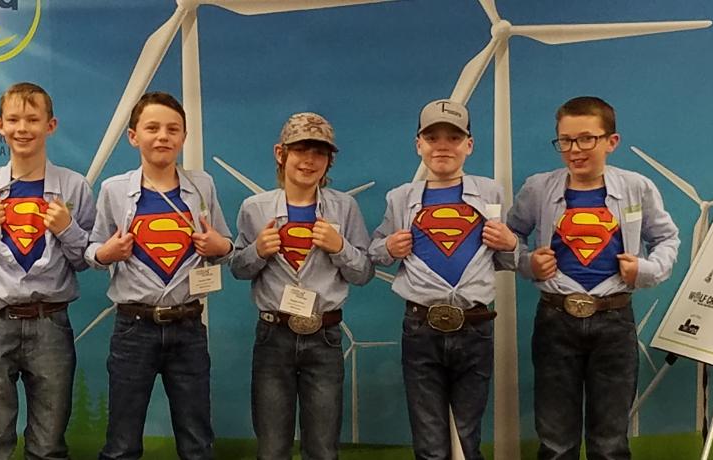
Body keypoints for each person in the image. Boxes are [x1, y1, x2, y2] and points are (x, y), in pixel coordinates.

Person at [506, 96, 679, 460]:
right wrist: (527, 264)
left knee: (610, 442)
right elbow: (510, 237)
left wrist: (644, 270)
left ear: (610, 142)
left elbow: (666, 238)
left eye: (586, 139)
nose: (575, 150)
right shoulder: (538, 188)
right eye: (565, 141)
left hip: (614, 320)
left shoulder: (637, 187)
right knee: (555, 442)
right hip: (555, 319)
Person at [87, 91, 234, 460]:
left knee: (197, 438)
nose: (162, 136)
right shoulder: (114, 190)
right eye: (152, 128)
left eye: (173, 129)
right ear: (133, 136)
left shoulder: (204, 186)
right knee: (122, 440)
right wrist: (107, 253)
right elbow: (91, 249)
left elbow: (224, 246)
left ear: (184, 137)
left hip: (188, 326)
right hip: (134, 327)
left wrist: (222, 247)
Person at [369, 99, 519, 459]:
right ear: (418, 144)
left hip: (476, 326)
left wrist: (511, 243)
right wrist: (389, 246)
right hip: (421, 328)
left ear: (469, 145)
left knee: (468, 436)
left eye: (453, 137)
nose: (442, 146)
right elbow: (373, 252)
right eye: (432, 137)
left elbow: (510, 259)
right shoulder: (400, 199)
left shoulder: (491, 193)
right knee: (430, 442)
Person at [0, 82, 96, 460]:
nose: (23, 128)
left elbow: (84, 260)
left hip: (50, 323)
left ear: (51, 126)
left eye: (33, 119)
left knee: (49, 446)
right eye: (14, 119)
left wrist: (68, 228)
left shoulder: (74, 187)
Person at [230, 112, 374, 459]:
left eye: (320, 153)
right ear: (281, 153)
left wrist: (340, 248)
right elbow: (237, 268)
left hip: (324, 338)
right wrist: (257, 252)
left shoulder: (345, 207)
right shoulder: (254, 208)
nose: (309, 161)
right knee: (272, 447)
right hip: (272, 337)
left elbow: (364, 272)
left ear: (329, 161)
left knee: (323, 449)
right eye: (301, 150)